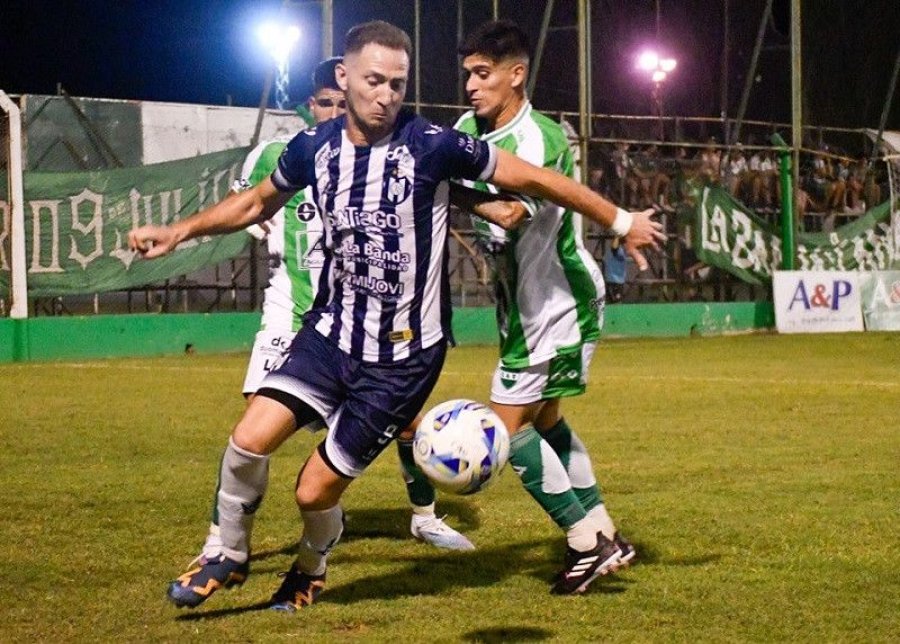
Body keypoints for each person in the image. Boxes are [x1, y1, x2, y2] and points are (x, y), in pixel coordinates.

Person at [129, 20, 663, 610]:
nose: (386, 95)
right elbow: (256, 201)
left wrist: (619, 221)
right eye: (374, 81)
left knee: (313, 493)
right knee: (246, 441)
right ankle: (227, 553)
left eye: (398, 84)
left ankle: (309, 569)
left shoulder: (432, 144)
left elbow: (536, 178)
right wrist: (179, 230)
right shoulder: (314, 148)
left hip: (400, 362)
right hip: (330, 336)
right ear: (344, 77)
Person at [191, 58, 473, 571]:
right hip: (291, 305)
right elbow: (249, 205)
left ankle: (425, 515)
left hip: (357, 309)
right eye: (327, 102)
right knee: (255, 427)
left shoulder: (387, 154)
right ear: (311, 103)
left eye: (342, 105)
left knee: (406, 421)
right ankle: (221, 540)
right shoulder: (286, 155)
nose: (336, 110)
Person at [454, 20, 648, 594]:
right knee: (546, 420)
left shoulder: (540, 141)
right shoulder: (468, 128)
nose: (470, 86)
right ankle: (606, 531)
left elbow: (511, 215)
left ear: (516, 76)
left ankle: (585, 543)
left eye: (483, 74)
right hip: (525, 309)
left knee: (502, 432)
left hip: (558, 306)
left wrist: (445, 184)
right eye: (466, 74)